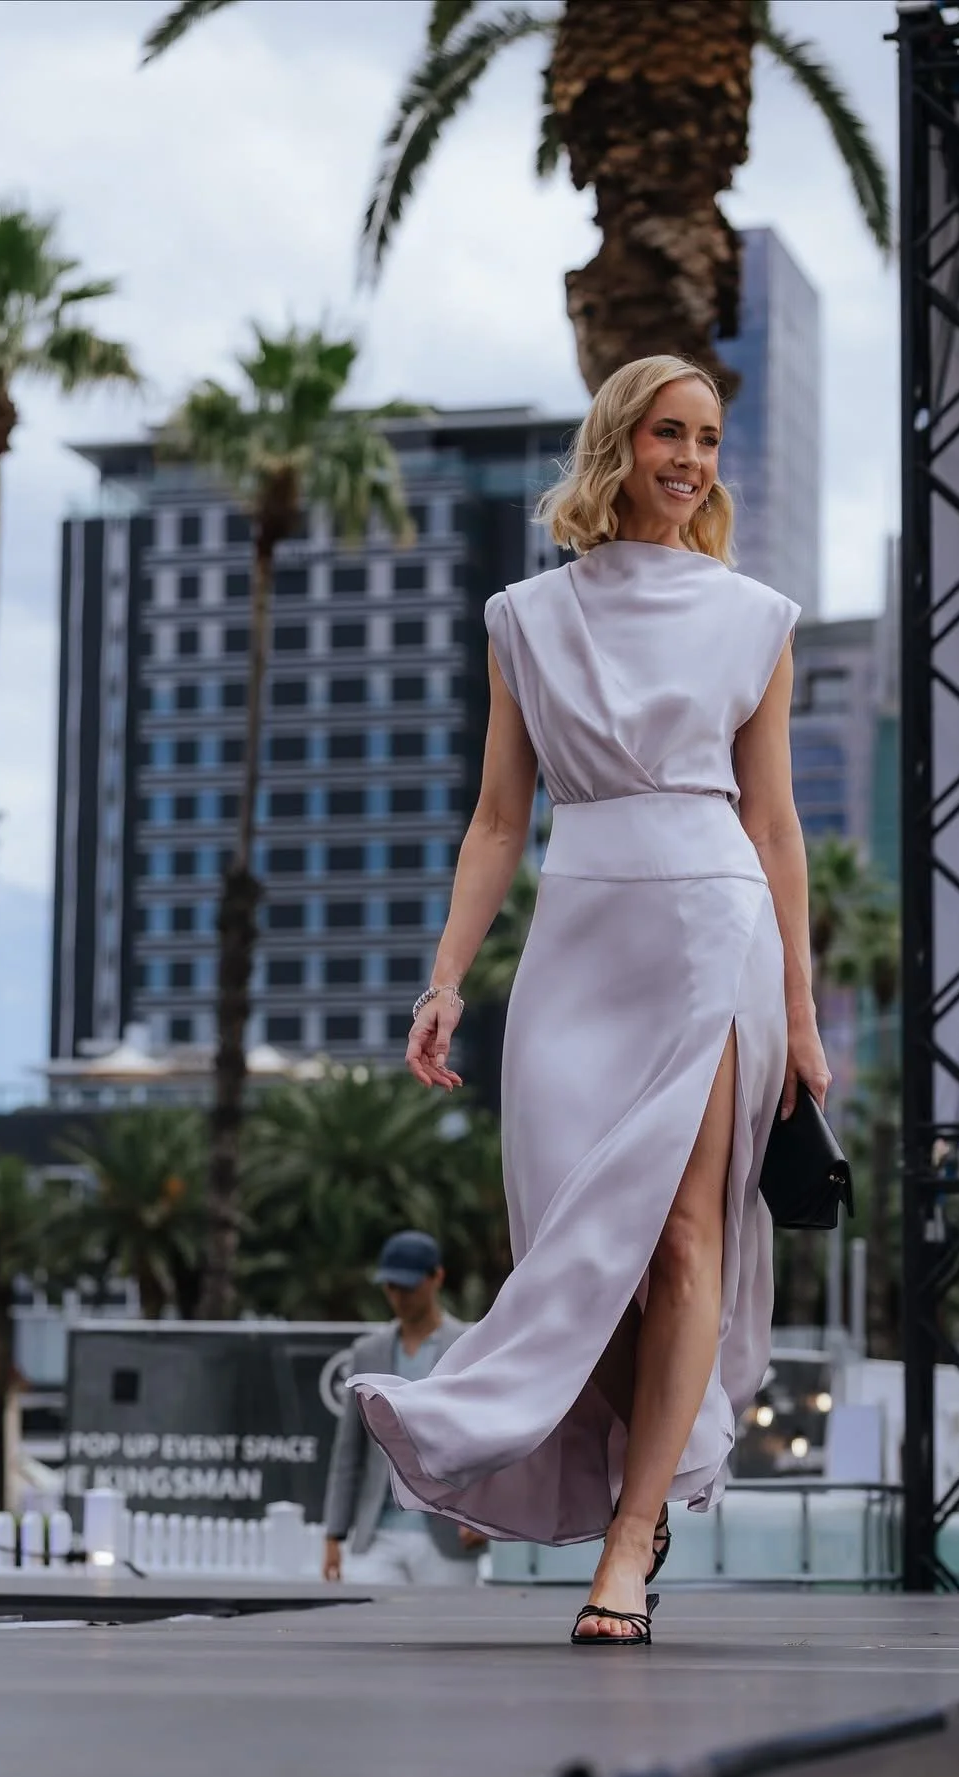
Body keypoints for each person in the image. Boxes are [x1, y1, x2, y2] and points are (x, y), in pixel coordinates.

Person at [350, 353, 829, 1645]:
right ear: (620, 442)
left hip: (710, 923)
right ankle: (666, 1446)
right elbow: (502, 817)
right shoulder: (525, 617)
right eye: (669, 432)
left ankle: (628, 1544)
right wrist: (446, 979)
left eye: (710, 438)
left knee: (680, 1239)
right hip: (578, 933)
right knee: (575, 1241)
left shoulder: (757, 619)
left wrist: (804, 1005)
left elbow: (778, 827)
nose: (690, 458)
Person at [322, 1230, 485, 1587]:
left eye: (408, 1287)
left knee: (446, 1641)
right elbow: (348, 1451)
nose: (398, 1297)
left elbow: (483, 1441)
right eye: (390, 1287)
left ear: (436, 1278)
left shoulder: (469, 1345)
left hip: (448, 1537)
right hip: (376, 1535)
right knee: (368, 1636)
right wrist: (334, 1534)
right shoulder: (367, 1351)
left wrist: (482, 1518)